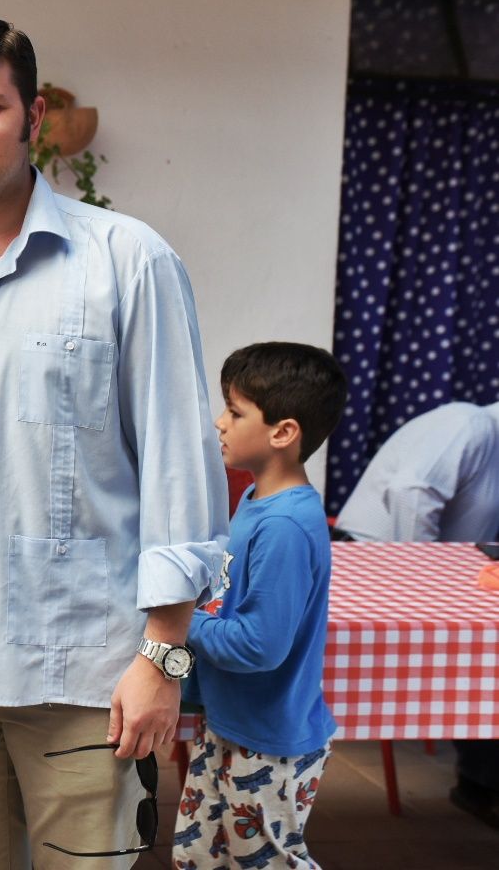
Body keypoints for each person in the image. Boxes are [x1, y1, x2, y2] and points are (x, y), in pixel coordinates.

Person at [0, 14, 227, 868]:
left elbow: (180, 467)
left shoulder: (127, 259)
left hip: (87, 670)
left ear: (31, 117)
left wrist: (163, 658)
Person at [173, 342, 347, 869]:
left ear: (283, 433)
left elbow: (258, 646)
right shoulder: (256, 500)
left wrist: (179, 620)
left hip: (268, 741)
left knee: (265, 863)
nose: (220, 422)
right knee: (196, 856)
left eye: (235, 411)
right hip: (229, 723)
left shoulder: (285, 525)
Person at [334, 400, 499, 828]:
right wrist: (425, 578)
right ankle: (481, 785)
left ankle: (482, 783)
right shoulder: (470, 424)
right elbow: (411, 492)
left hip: (448, 580)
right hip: (371, 567)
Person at [334, 401, 499, 544]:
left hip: (446, 566)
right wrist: (424, 565)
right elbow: (411, 494)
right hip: (370, 553)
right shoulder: (470, 423)